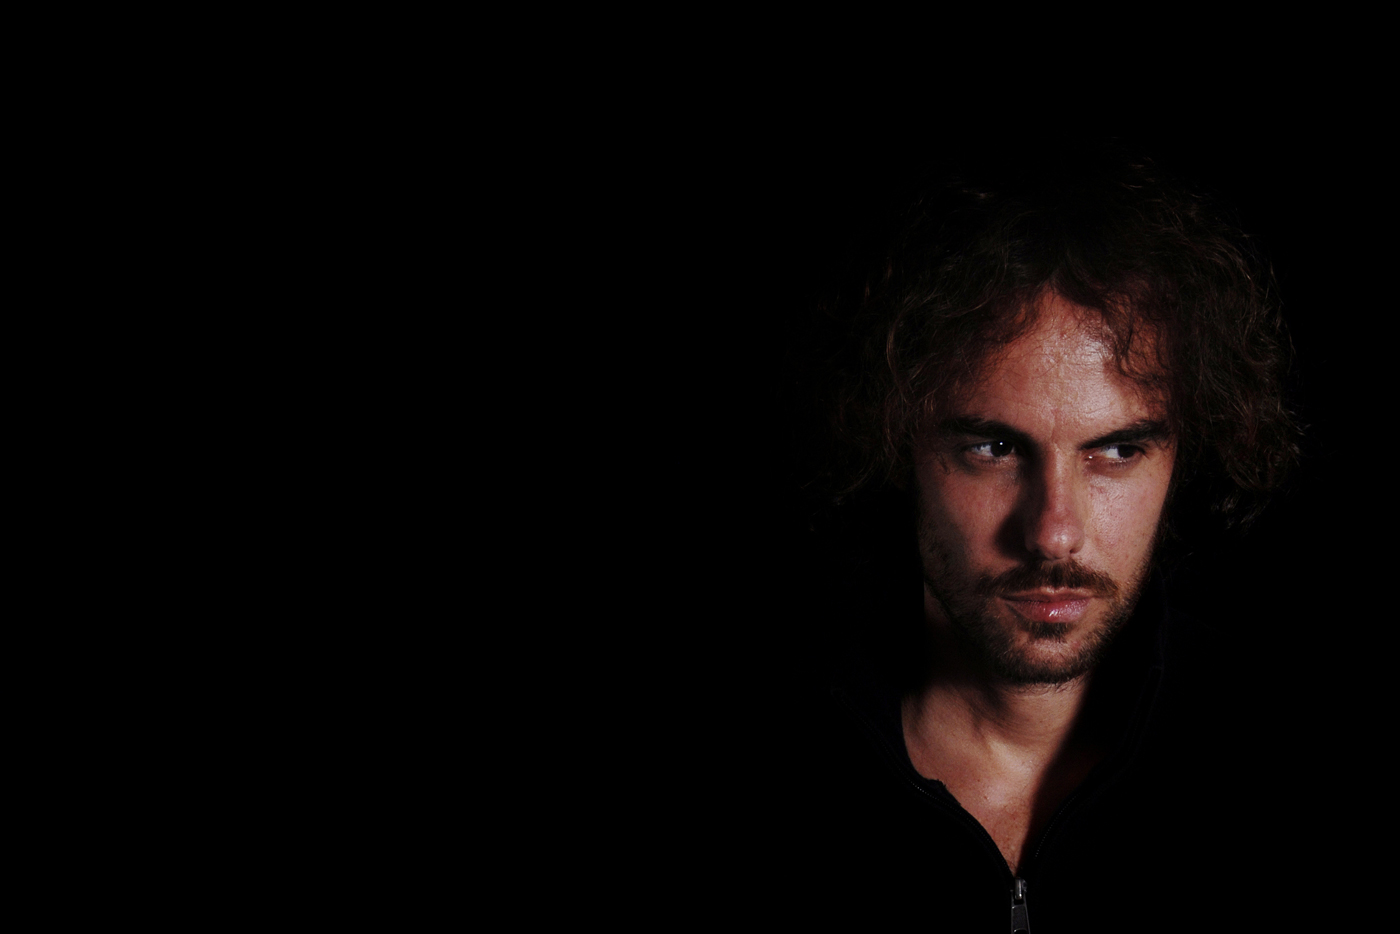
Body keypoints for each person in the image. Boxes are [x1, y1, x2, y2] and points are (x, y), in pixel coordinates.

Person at [775, 142, 1303, 930]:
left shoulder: (1289, 762)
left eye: (1116, 451)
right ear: (896, 440)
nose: (1054, 534)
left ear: (1181, 454)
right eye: (993, 448)